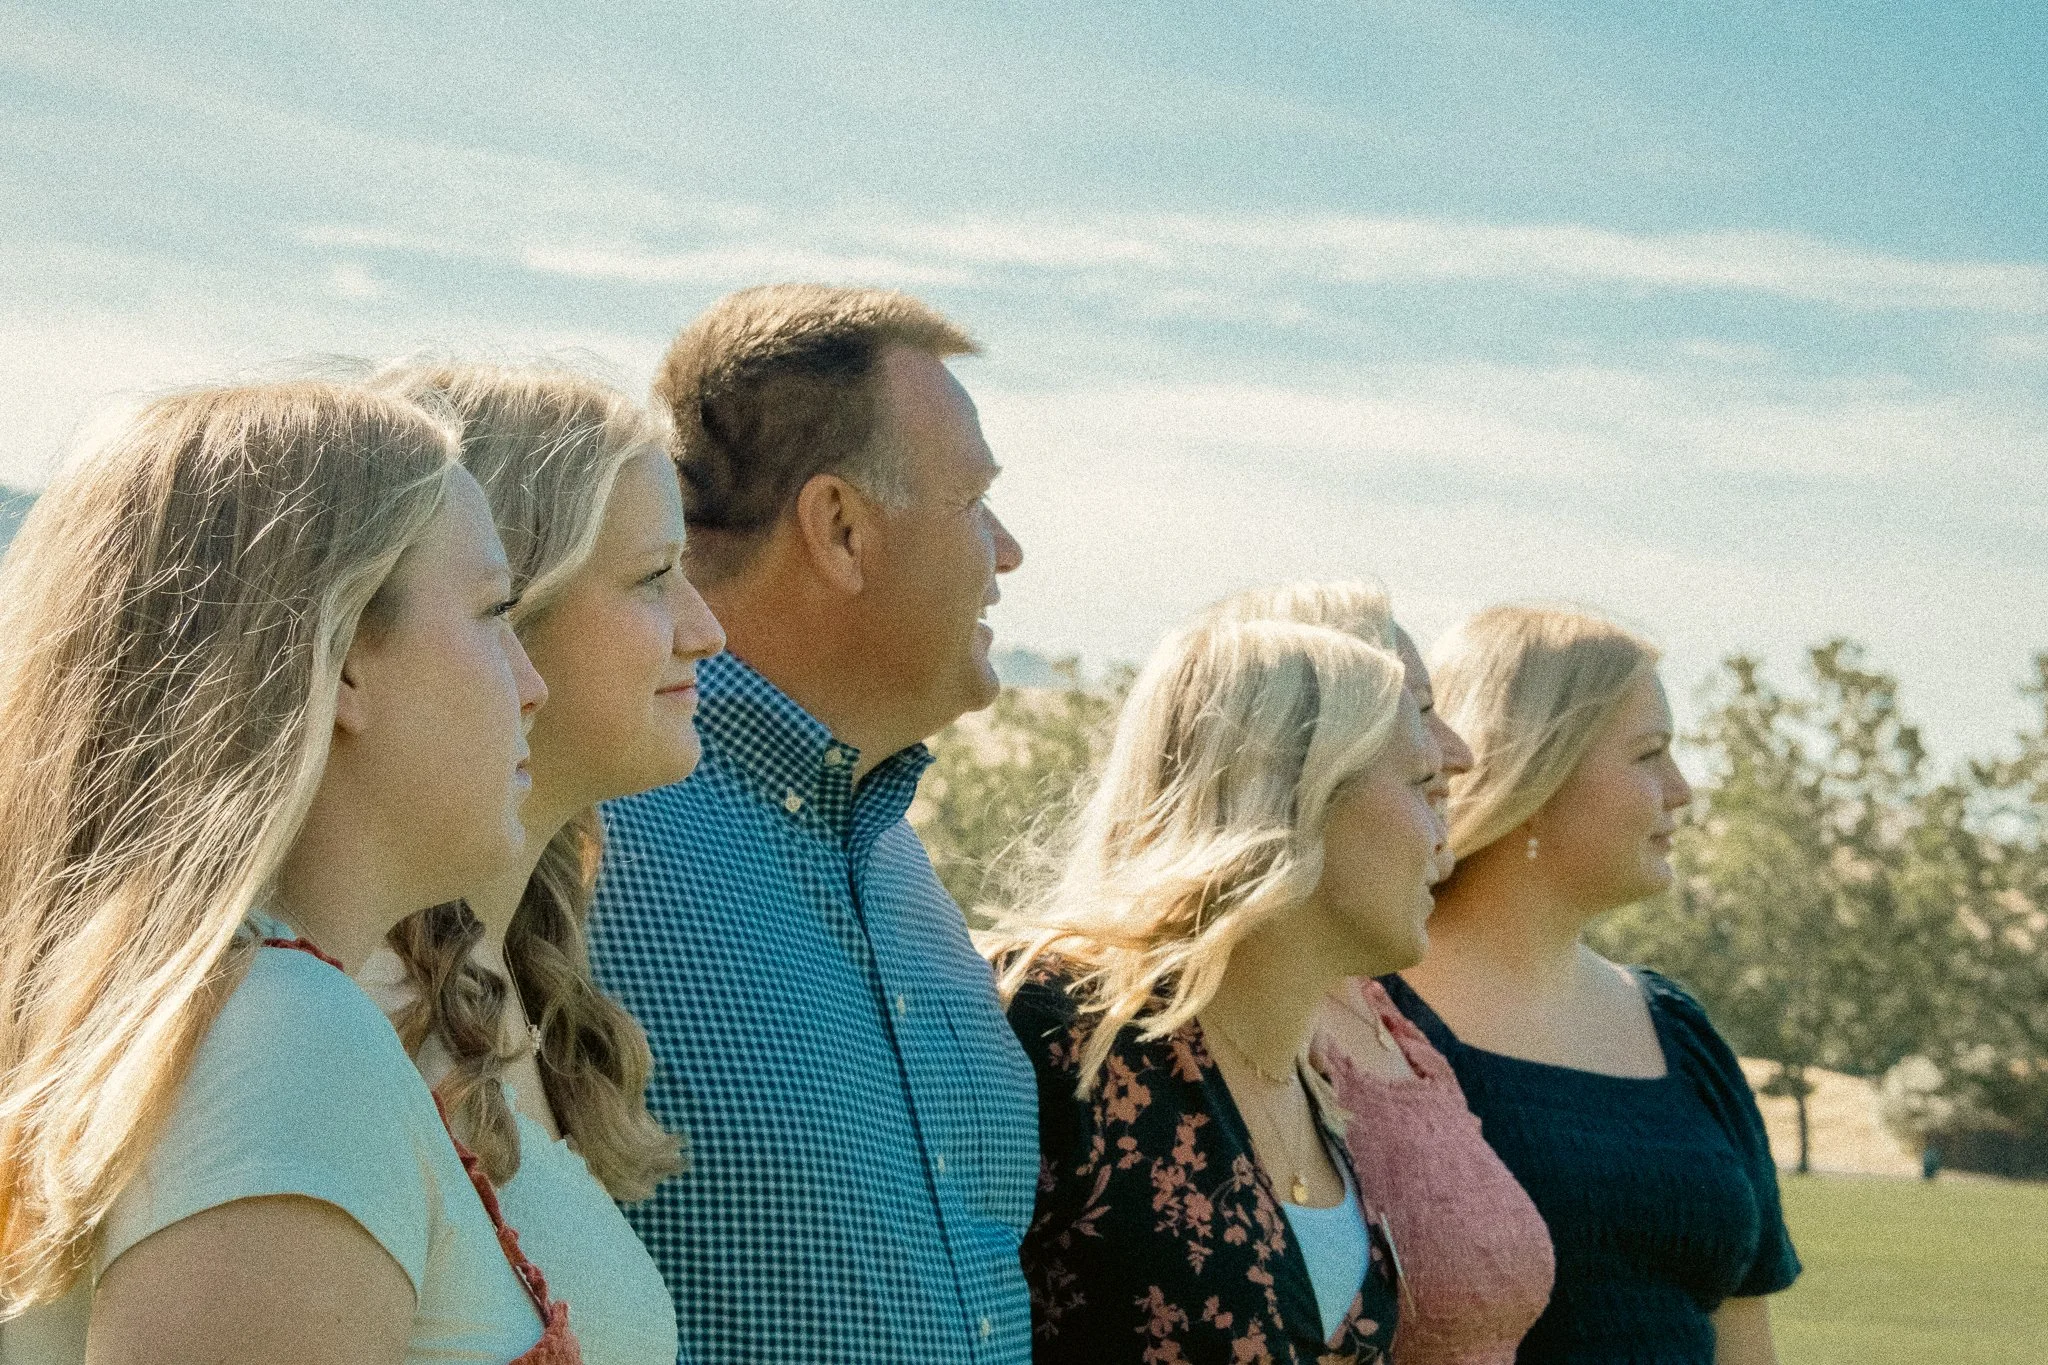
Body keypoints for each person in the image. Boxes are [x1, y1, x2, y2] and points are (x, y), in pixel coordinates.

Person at [0, 382, 566, 1364]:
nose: (531, 684)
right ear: (339, 658)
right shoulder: (288, 1040)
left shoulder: (230, 1018)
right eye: (491, 614)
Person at [585, 284, 1034, 1364]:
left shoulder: (905, 877)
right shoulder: (582, 845)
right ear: (839, 529)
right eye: (972, 501)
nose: (1007, 550)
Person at [360, 363, 727, 1365]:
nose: (707, 629)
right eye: (655, 578)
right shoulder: (343, 999)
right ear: (504, 600)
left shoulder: (505, 978)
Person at [987, 612, 1447, 1365]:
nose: (1441, 833)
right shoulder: (1062, 1028)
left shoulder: (1313, 1077)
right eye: (1422, 784)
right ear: (1301, 790)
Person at [1385, 605, 1800, 1365]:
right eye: (1650, 755)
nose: (1681, 790)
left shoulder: (1681, 1032)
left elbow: (1746, 1342)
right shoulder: (1368, 1020)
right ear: (1536, 769)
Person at [1211, 582, 1554, 1364]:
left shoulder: (1388, 1018)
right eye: (1416, 710)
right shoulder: (1214, 1031)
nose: (1456, 753)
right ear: (1298, 749)